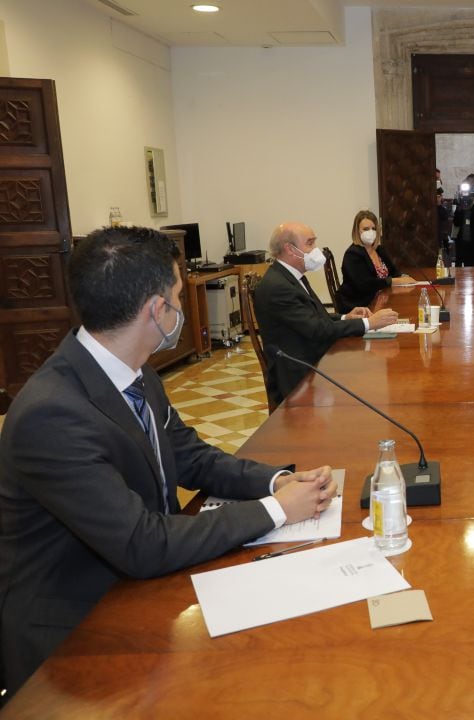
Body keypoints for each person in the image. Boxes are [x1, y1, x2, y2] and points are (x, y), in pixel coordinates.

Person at [0, 226, 340, 699]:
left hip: (142, 588)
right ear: (157, 311)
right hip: (76, 640)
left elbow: (191, 456)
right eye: (179, 297)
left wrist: (279, 480)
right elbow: (140, 542)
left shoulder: (132, 368)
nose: (181, 309)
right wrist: (280, 510)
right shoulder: (51, 414)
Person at [254, 221, 398, 406]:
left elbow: (313, 317)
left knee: (368, 372)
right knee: (365, 384)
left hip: (313, 358)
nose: (316, 249)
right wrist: (369, 324)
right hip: (299, 373)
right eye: (310, 243)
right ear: (290, 249)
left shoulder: (290, 276)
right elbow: (317, 329)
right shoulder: (278, 287)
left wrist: (346, 317)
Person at [335, 210, 415, 313]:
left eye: (373, 229)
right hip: (360, 306)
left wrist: (403, 277)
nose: (370, 232)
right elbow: (364, 284)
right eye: (366, 229)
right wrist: (391, 281)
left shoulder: (379, 250)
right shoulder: (352, 254)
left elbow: (394, 272)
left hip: (382, 301)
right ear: (357, 231)